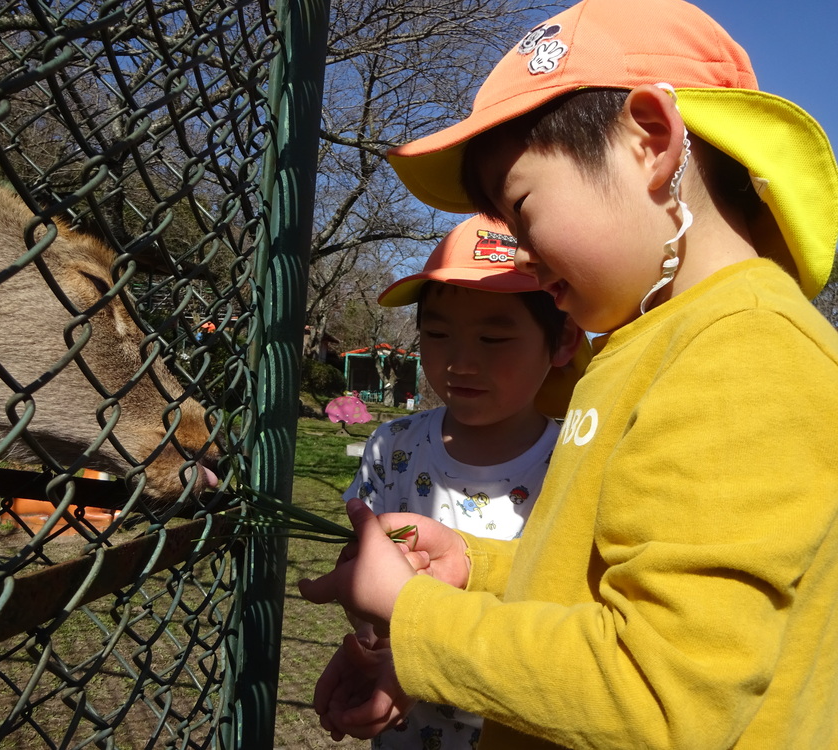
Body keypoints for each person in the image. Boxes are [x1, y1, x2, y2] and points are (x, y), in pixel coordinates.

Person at [299, 0, 838, 748]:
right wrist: (474, 566)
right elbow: (609, 584)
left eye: (523, 212)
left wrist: (418, 616)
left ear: (650, 140)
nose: (521, 255)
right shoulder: (664, 341)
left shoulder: (745, 351)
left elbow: (661, 698)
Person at [340, 214, 584, 750]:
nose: (460, 361)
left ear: (562, 340)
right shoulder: (393, 446)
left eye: (494, 337)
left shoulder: (576, 460)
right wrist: (366, 641)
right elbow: (363, 587)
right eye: (438, 333)